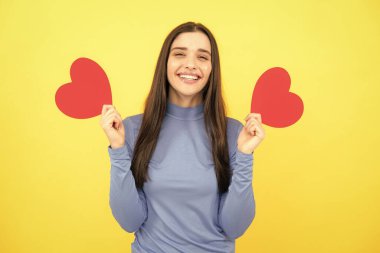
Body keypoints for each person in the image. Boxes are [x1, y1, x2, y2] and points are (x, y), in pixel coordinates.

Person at [100, 21, 265, 253]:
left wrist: (245, 156)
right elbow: (129, 221)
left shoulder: (234, 133)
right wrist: (118, 150)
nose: (190, 65)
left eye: (202, 57)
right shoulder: (132, 129)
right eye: (179, 54)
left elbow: (235, 226)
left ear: (211, 68)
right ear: (165, 63)